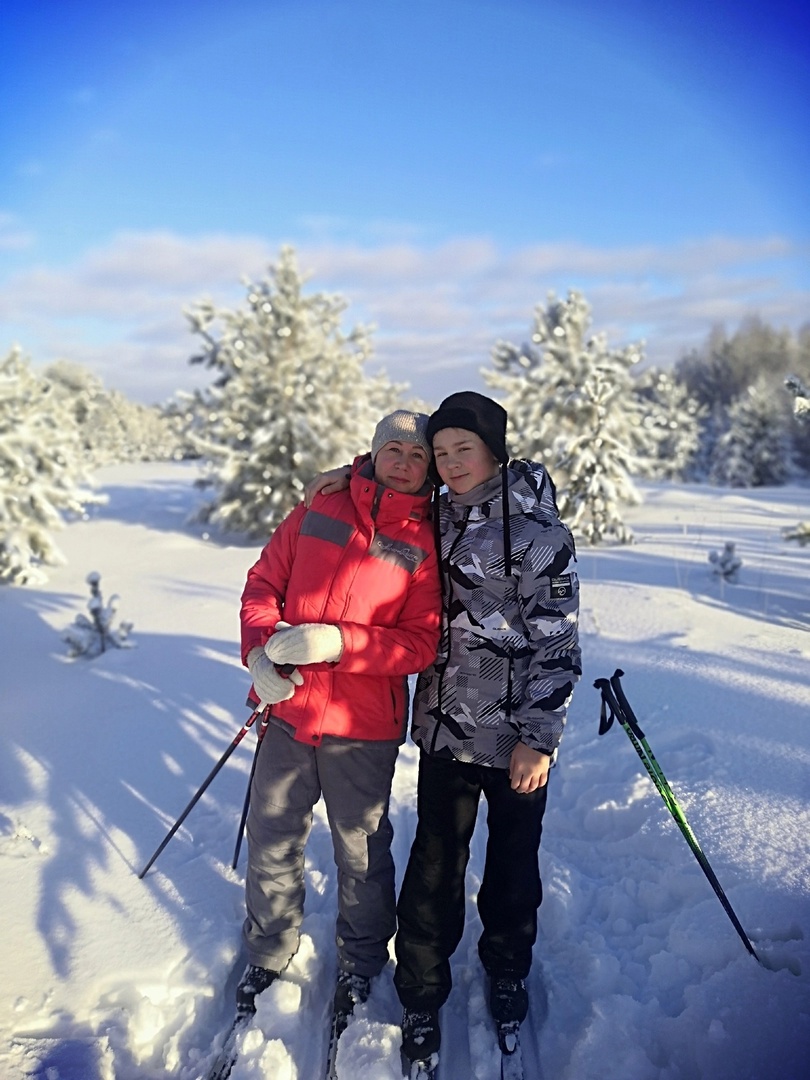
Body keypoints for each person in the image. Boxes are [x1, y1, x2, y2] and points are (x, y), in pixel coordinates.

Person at [391, 391, 582, 1072]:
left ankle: (506, 969)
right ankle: (419, 990)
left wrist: (540, 737)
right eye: (440, 453)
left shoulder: (540, 532)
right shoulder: (432, 515)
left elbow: (556, 643)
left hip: (516, 745)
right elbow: (387, 479)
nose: (447, 463)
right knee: (434, 867)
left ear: (494, 449)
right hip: (446, 730)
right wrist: (346, 472)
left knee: (510, 869)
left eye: (460, 449)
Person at [236, 410, 441, 1032]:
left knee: (360, 851)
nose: (404, 462)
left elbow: (420, 644)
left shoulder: (428, 541)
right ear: (374, 452)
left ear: (429, 468)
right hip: (289, 709)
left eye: (417, 455)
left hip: (362, 725)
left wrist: (338, 643)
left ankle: (361, 958)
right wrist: (258, 652)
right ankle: (270, 950)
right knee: (271, 837)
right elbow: (262, 583)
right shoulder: (317, 509)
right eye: (393, 449)